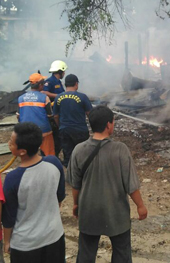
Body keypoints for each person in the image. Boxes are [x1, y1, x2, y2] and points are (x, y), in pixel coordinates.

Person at [66, 105, 147, 263]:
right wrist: (140, 205)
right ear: (108, 125)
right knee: (122, 252)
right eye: (113, 122)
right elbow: (130, 185)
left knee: (86, 253)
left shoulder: (78, 150)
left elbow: (75, 185)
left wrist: (76, 205)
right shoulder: (120, 150)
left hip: (88, 211)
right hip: (116, 213)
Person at [3, 122, 65, 263]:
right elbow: (59, 196)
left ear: (22, 151)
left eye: (11, 142)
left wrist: (6, 241)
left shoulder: (13, 178)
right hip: (54, 236)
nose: (8, 143)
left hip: (26, 245)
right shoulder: (54, 163)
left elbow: (9, 217)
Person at [53, 74, 92, 167]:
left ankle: (70, 176)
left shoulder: (58, 97)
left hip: (64, 130)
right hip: (80, 130)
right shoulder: (82, 97)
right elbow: (90, 114)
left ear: (65, 84)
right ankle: (83, 175)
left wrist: (60, 126)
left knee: (68, 155)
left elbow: (55, 116)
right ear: (76, 84)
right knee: (83, 154)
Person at [17, 73, 54, 156]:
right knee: (49, 154)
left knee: (29, 155)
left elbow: (18, 116)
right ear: (40, 85)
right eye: (43, 83)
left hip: (26, 131)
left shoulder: (21, 98)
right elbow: (50, 115)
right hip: (43, 130)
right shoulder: (44, 97)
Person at [42, 60, 67, 159]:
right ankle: (51, 157)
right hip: (52, 114)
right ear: (60, 71)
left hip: (59, 112)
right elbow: (44, 92)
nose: (64, 74)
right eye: (63, 71)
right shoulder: (50, 81)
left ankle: (54, 156)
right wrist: (58, 96)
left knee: (59, 138)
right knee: (56, 137)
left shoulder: (58, 82)